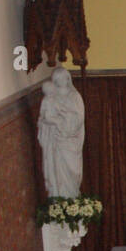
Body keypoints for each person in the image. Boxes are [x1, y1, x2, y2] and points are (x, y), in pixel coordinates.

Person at [37, 66, 86, 199]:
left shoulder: (75, 96)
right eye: (57, 80)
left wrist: (63, 120)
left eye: (63, 79)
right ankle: (60, 201)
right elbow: (43, 118)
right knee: (58, 173)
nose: (60, 82)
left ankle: (72, 200)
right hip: (56, 142)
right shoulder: (50, 97)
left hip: (71, 141)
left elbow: (79, 118)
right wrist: (52, 121)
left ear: (67, 79)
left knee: (72, 174)